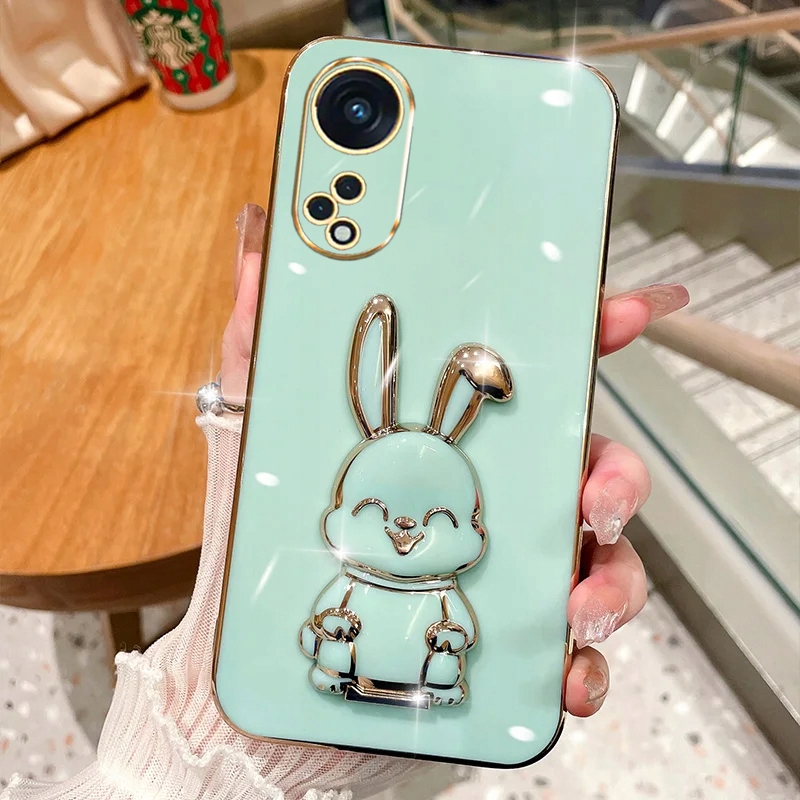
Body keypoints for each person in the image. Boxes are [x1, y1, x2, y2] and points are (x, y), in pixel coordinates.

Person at [1, 204, 689, 800]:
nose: (406, 532)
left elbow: (444, 620)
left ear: (471, 532)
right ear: (342, 518)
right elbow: (321, 627)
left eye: (441, 520)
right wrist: (264, 690)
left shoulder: (431, 586)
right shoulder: (360, 576)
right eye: (377, 514)